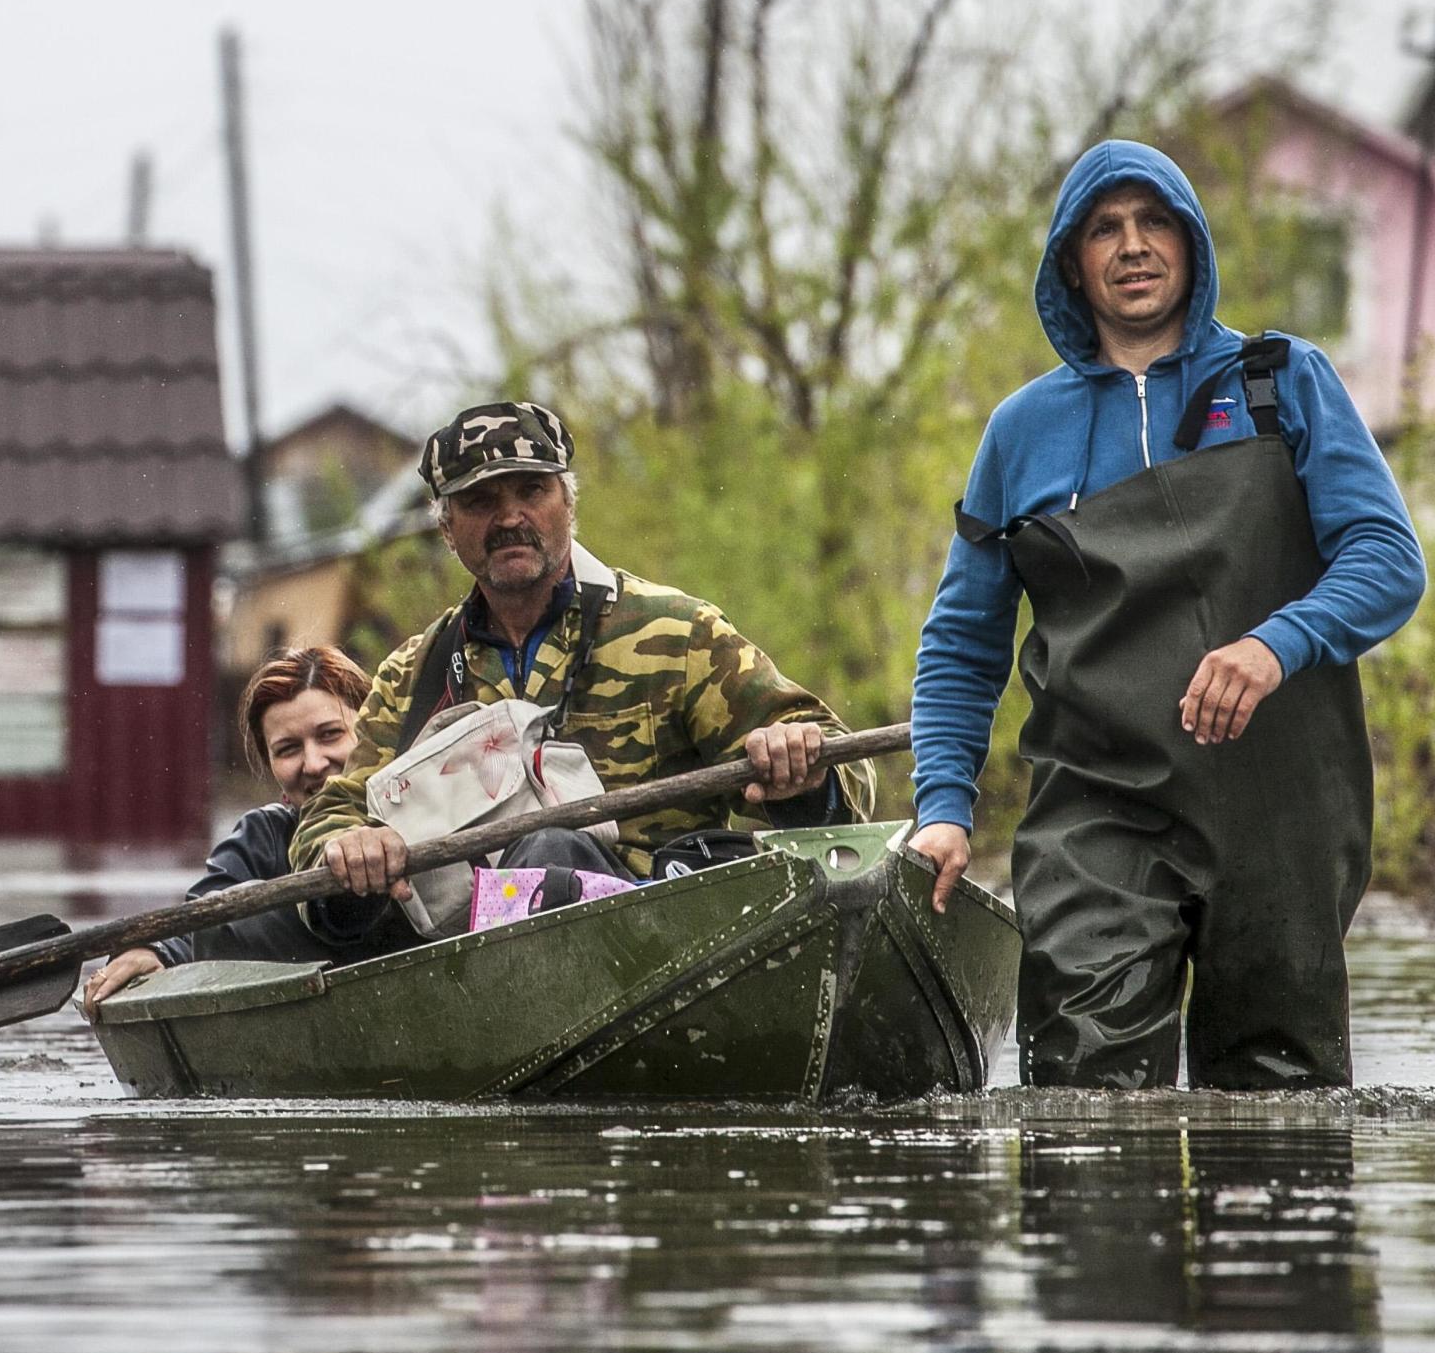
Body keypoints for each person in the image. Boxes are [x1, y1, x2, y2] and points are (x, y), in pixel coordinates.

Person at [907, 139, 1426, 1090]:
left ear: (1191, 245)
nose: (1133, 246)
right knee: (1085, 1119)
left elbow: (1389, 560)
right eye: (1105, 228)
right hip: (1098, 812)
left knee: (1281, 1137)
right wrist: (942, 807)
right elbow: (962, 643)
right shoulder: (1020, 432)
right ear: (1072, 262)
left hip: (1281, 816)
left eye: (1155, 224)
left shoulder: (1284, 382)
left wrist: (1277, 644)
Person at [293, 400, 869, 914]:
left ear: (569, 504)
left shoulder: (677, 633)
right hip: (476, 970)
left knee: (551, 847)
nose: (510, 518)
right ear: (446, 529)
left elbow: (848, 770)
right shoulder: (412, 677)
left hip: (669, 939)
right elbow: (329, 815)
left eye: (532, 491)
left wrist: (804, 771)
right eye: (480, 500)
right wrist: (349, 845)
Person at [78, 645, 400, 1013]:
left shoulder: (425, 811)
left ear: (373, 736)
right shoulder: (263, 836)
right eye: (288, 749)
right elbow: (203, 921)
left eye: (329, 735)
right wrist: (154, 951)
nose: (313, 763)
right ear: (272, 768)